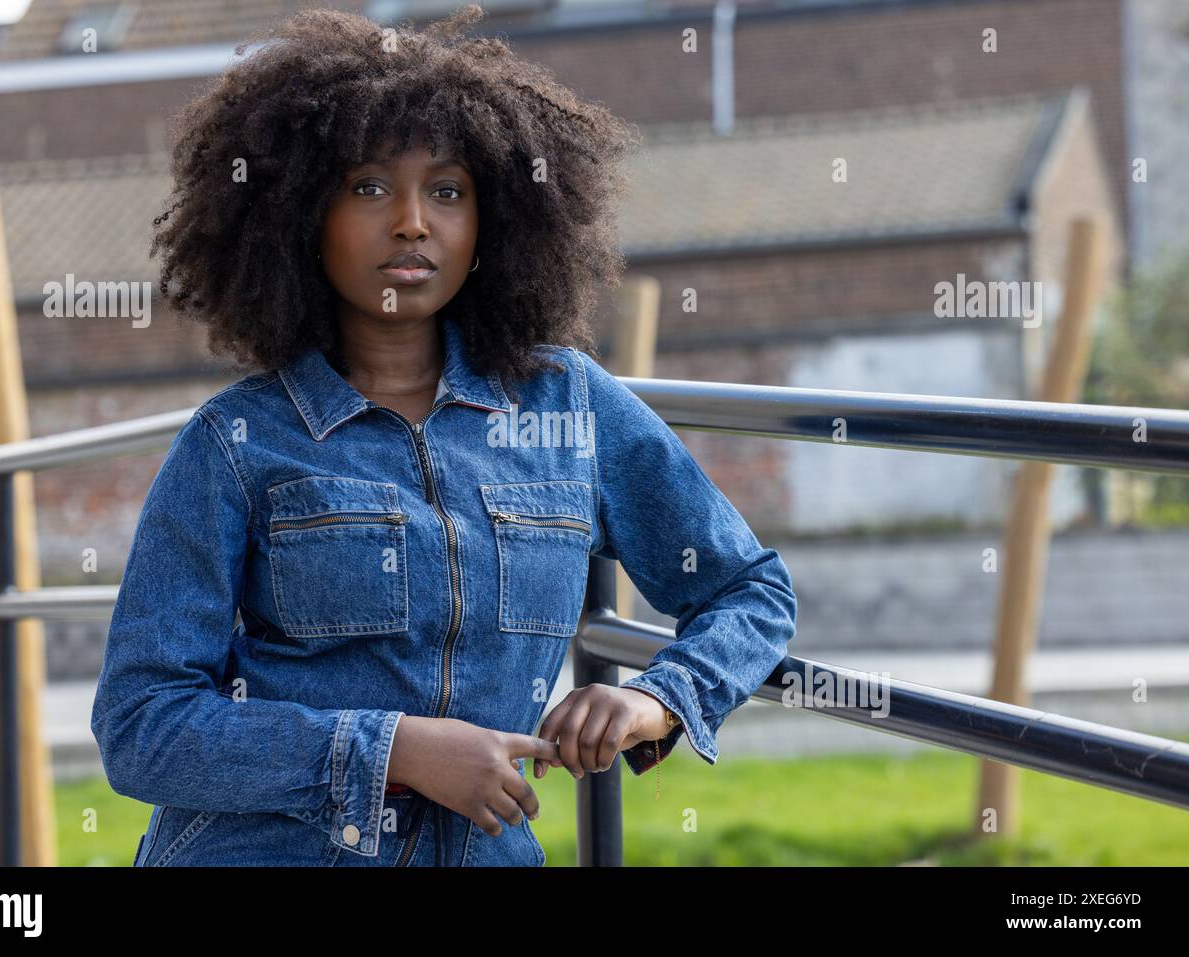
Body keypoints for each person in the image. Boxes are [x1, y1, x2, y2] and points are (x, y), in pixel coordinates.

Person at [91, 4, 797, 867]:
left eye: (448, 190)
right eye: (369, 187)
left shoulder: (567, 405)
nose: (413, 221)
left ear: (492, 222)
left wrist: (659, 699)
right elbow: (141, 724)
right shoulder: (236, 442)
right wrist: (392, 751)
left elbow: (751, 590)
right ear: (300, 217)